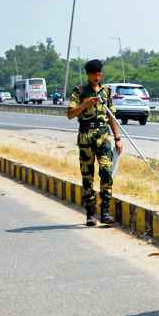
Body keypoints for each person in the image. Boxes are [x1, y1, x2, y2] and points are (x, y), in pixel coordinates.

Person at [67, 59, 123, 226]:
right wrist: (85, 104)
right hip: (86, 136)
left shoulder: (106, 92)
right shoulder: (79, 91)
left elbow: (111, 117)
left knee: (106, 172)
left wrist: (117, 138)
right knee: (87, 176)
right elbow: (70, 114)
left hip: (103, 136)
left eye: (99, 74)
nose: (97, 78)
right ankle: (90, 214)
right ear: (88, 75)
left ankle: (105, 212)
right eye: (94, 75)